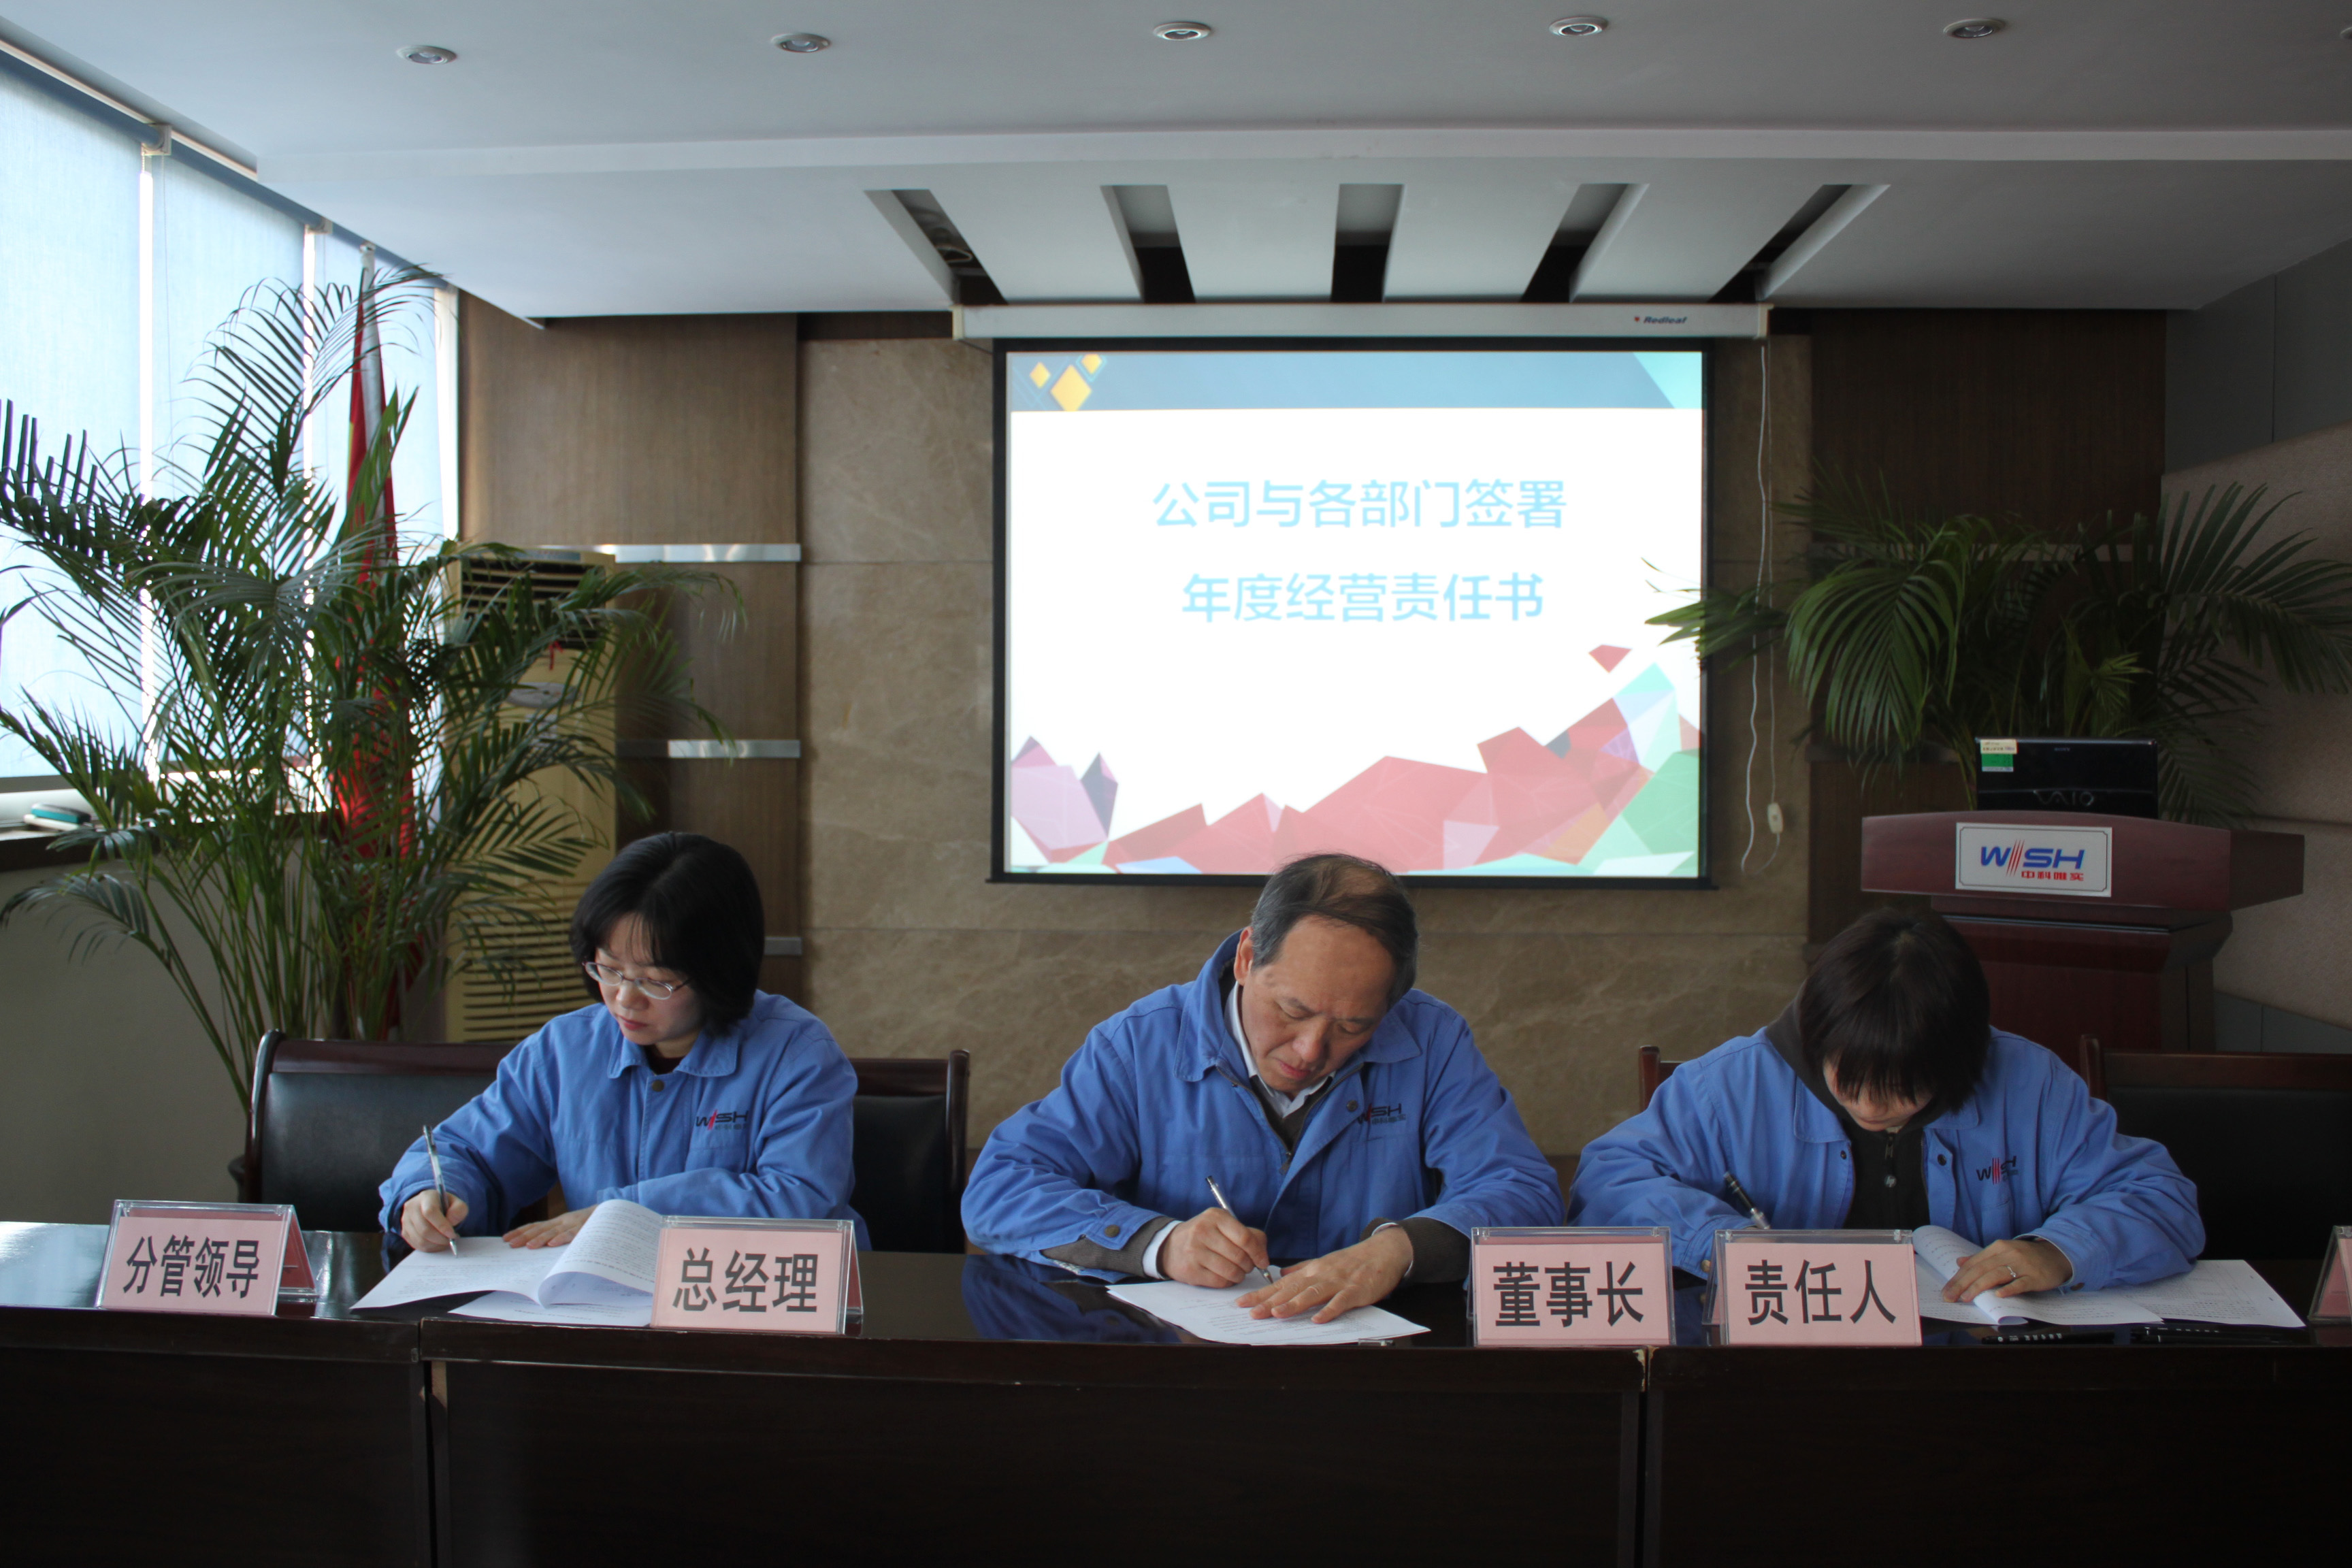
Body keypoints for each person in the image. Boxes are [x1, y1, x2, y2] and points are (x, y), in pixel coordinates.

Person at [962, 853, 1562, 1322]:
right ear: (1248, 958)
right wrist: (1159, 1243)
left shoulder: (1432, 1040)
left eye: (1353, 1026)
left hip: (1373, 1364)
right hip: (1182, 1366)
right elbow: (1000, 1188)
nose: (1310, 1050)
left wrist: (1399, 1251)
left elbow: (1524, 1192)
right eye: (1292, 1010)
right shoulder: (1140, 1044)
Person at [1569, 907, 2202, 1302]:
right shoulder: (1729, 1085)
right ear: (1818, 1034)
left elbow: (2161, 1198)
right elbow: (1607, 1182)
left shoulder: (2032, 1084)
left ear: (1962, 1060)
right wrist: (1720, 1244)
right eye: (1849, 1079)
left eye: (1904, 1087)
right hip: (1783, 1369)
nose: (1872, 1107)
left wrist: (2061, 1251)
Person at [380, 832, 865, 1251]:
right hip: (607, 1300)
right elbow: (469, 1151)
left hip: (757, 1304)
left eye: (656, 981)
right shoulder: (564, 1051)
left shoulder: (797, 1053)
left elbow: (801, 1197)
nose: (624, 1000)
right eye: (608, 969)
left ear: (721, 970)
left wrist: (628, 1215)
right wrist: (429, 1195)